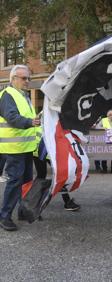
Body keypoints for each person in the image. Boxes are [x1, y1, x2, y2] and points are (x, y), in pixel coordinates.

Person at [0, 64, 40, 231]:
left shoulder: (23, 96)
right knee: (15, 182)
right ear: (13, 79)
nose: (27, 81)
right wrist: (30, 122)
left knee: (26, 182)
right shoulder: (8, 95)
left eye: (29, 78)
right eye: (24, 78)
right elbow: (12, 117)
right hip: (14, 148)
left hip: (25, 147)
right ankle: (5, 217)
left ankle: (22, 210)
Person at [33, 129, 80, 212]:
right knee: (41, 176)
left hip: (50, 152)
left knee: (61, 175)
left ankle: (67, 202)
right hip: (39, 151)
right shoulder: (44, 118)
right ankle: (35, 203)